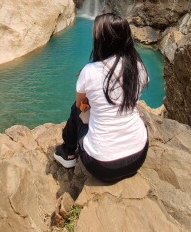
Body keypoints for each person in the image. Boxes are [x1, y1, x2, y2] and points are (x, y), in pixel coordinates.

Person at [54, 13, 149, 183]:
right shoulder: (138, 67)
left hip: (101, 166)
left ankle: (68, 153)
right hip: (138, 157)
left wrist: (90, 110)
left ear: (102, 40)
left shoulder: (90, 71)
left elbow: (80, 104)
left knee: (75, 109)